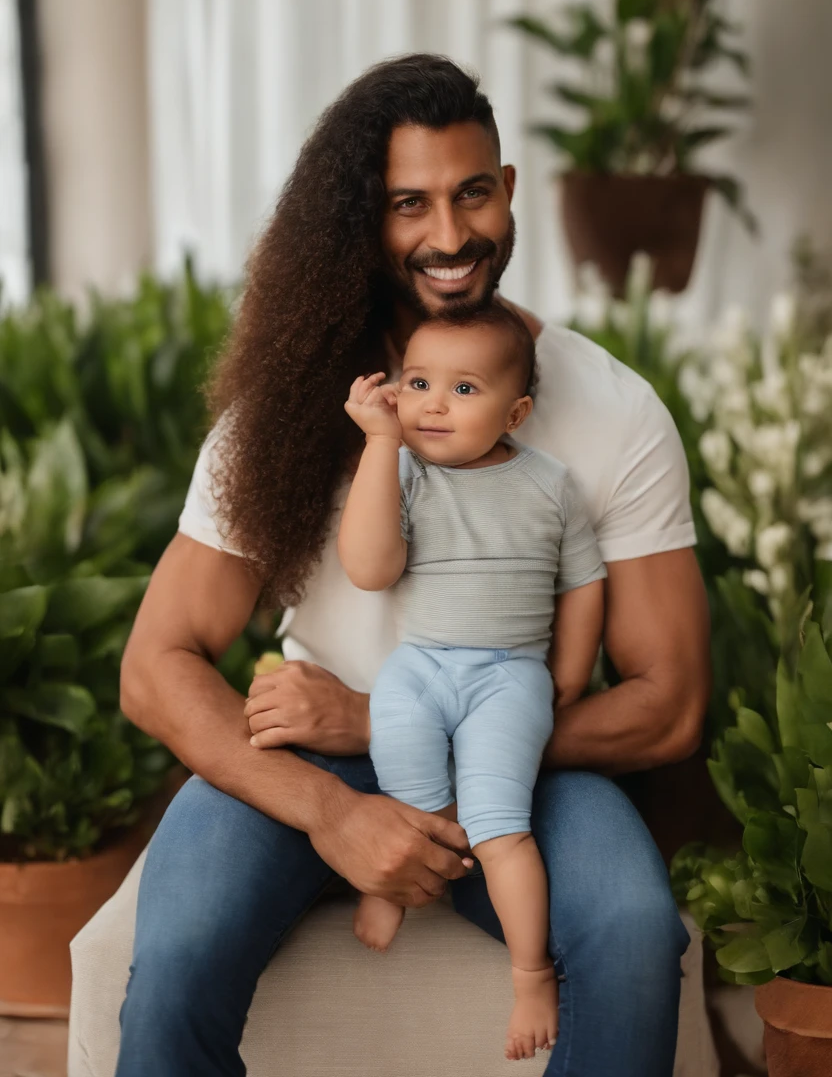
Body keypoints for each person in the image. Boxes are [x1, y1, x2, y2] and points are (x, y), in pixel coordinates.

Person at [117, 54, 711, 1077]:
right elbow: (155, 664)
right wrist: (334, 807)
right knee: (170, 957)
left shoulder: (610, 411)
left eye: (471, 192)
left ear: (508, 189)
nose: (449, 234)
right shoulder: (290, 411)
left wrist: (412, 724)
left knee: (630, 931)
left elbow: (669, 703)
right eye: (408, 204)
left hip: (522, 747)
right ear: (361, 219)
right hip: (310, 755)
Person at [339, 304, 607, 1062]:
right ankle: (394, 884)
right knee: (403, 769)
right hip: (420, 665)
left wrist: (568, 677)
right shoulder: (407, 475)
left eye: (463, 389)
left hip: (508, 675)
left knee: (500, 827)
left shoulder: (551, 486)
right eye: (418, 381)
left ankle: (530, 973)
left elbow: (584, 584)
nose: (431, 402)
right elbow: (367, 565)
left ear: (514, 410)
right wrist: (381, 443)